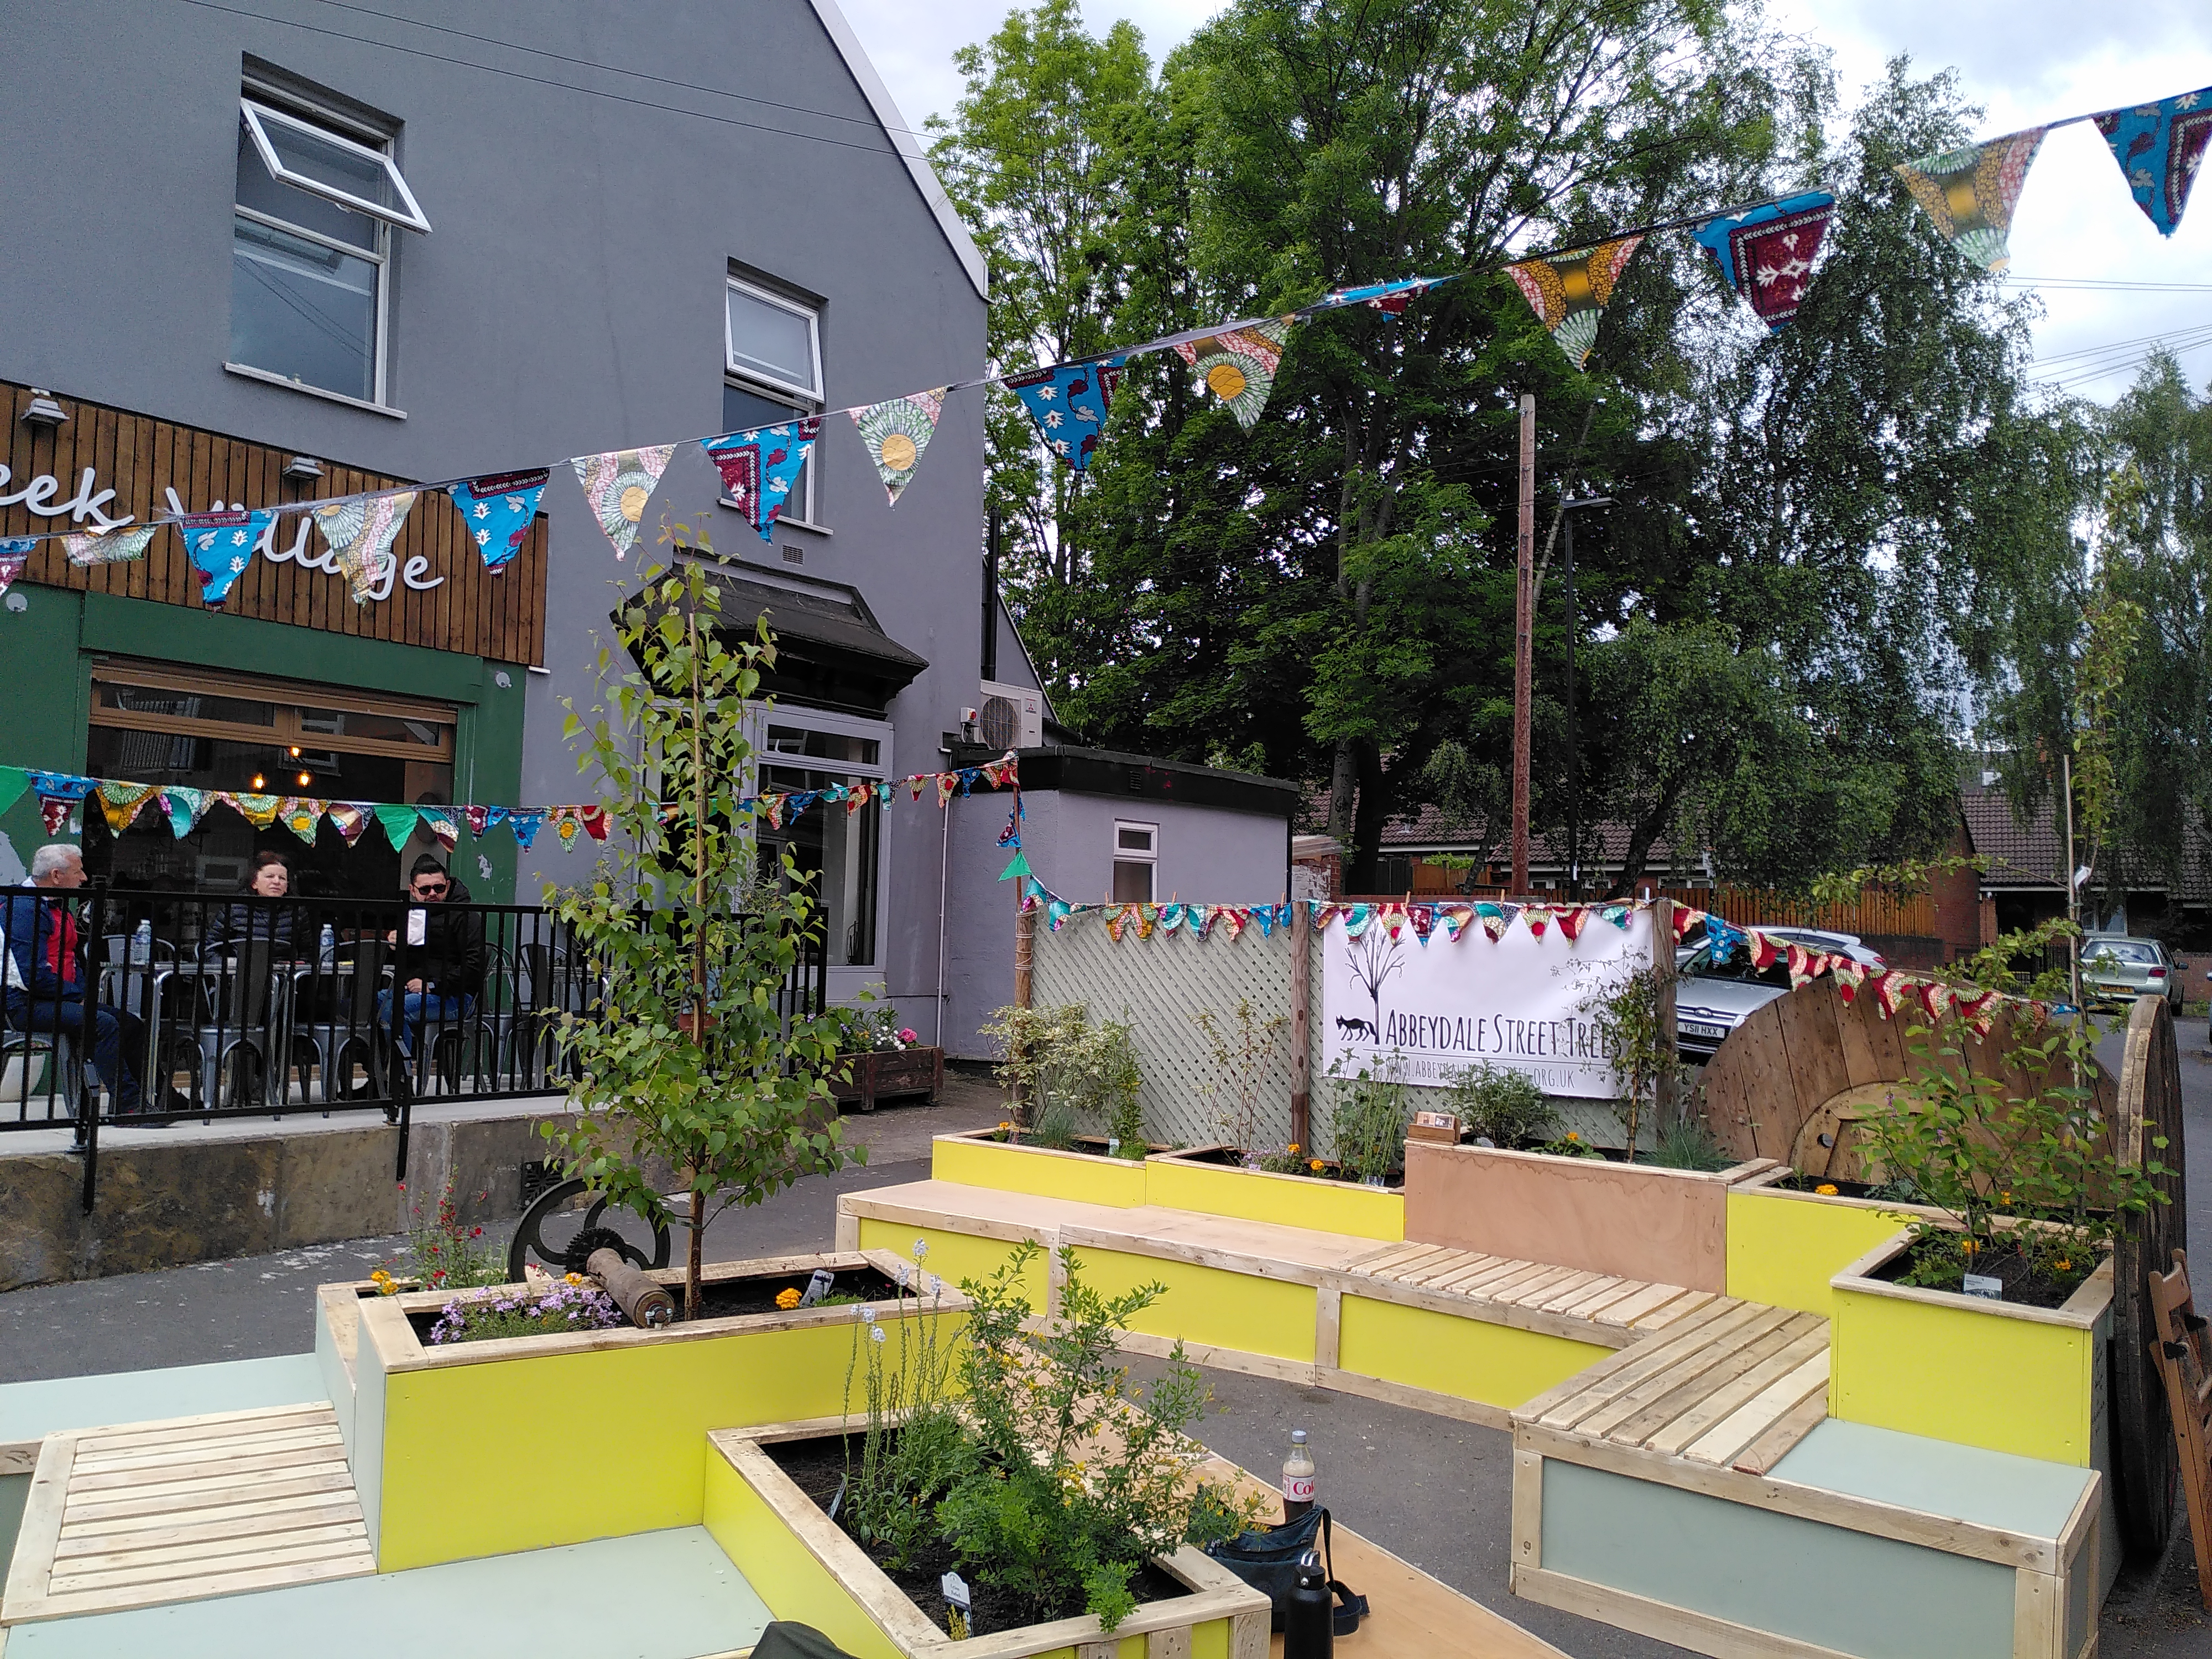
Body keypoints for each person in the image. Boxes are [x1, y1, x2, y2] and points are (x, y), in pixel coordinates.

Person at [2, 844, 177, 1118]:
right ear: (56, 876)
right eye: (78, 871)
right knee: (103, 1024)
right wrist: (78, 997)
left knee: (131, 1024)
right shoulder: (25, 909)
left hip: (55, 997)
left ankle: (165, 1097)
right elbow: (33, 976)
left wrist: (81, 994)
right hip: (24, 1003)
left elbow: (71, 960)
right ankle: (128, 1106)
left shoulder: (53, 905)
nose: (84, 878)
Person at [377, 855, 484, 1061]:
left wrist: (433, 985)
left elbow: (474, 967)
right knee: (364, 1007)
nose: (433, 894)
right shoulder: (414, 915)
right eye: (425, 890)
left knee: (394, 1011)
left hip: (455, 996)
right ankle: (378, 1072)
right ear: (413, 890)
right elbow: (403, 966)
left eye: (439, 888)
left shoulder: (465, 916)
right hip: (413, 991)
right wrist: (394, 947)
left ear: (448, 886)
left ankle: (401, 1074)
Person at [199, 851, 300, 962]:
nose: (277, 882)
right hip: (240, 970)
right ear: (254, 883)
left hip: (283, 971)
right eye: (270, 876)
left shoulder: (297, 911)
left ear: (287, 887)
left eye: (282, 878)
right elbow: (207, 948)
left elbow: (308, 952)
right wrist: (230, 965)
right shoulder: (235, 908)